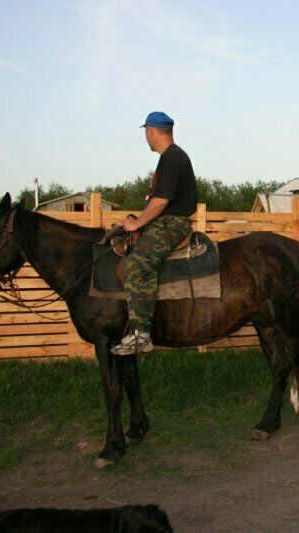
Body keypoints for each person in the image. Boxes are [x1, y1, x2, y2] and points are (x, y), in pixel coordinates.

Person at [111, 111, 198, 356]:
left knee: (135, 266)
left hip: (172, 224)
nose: (146, 138)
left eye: (146, 133)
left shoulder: (172, 158)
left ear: (150, 131)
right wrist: (136, 220)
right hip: (164, 222)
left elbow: (161, 202)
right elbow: (156, 202)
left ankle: (141, 335)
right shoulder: (170, 158)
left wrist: (137, 224)